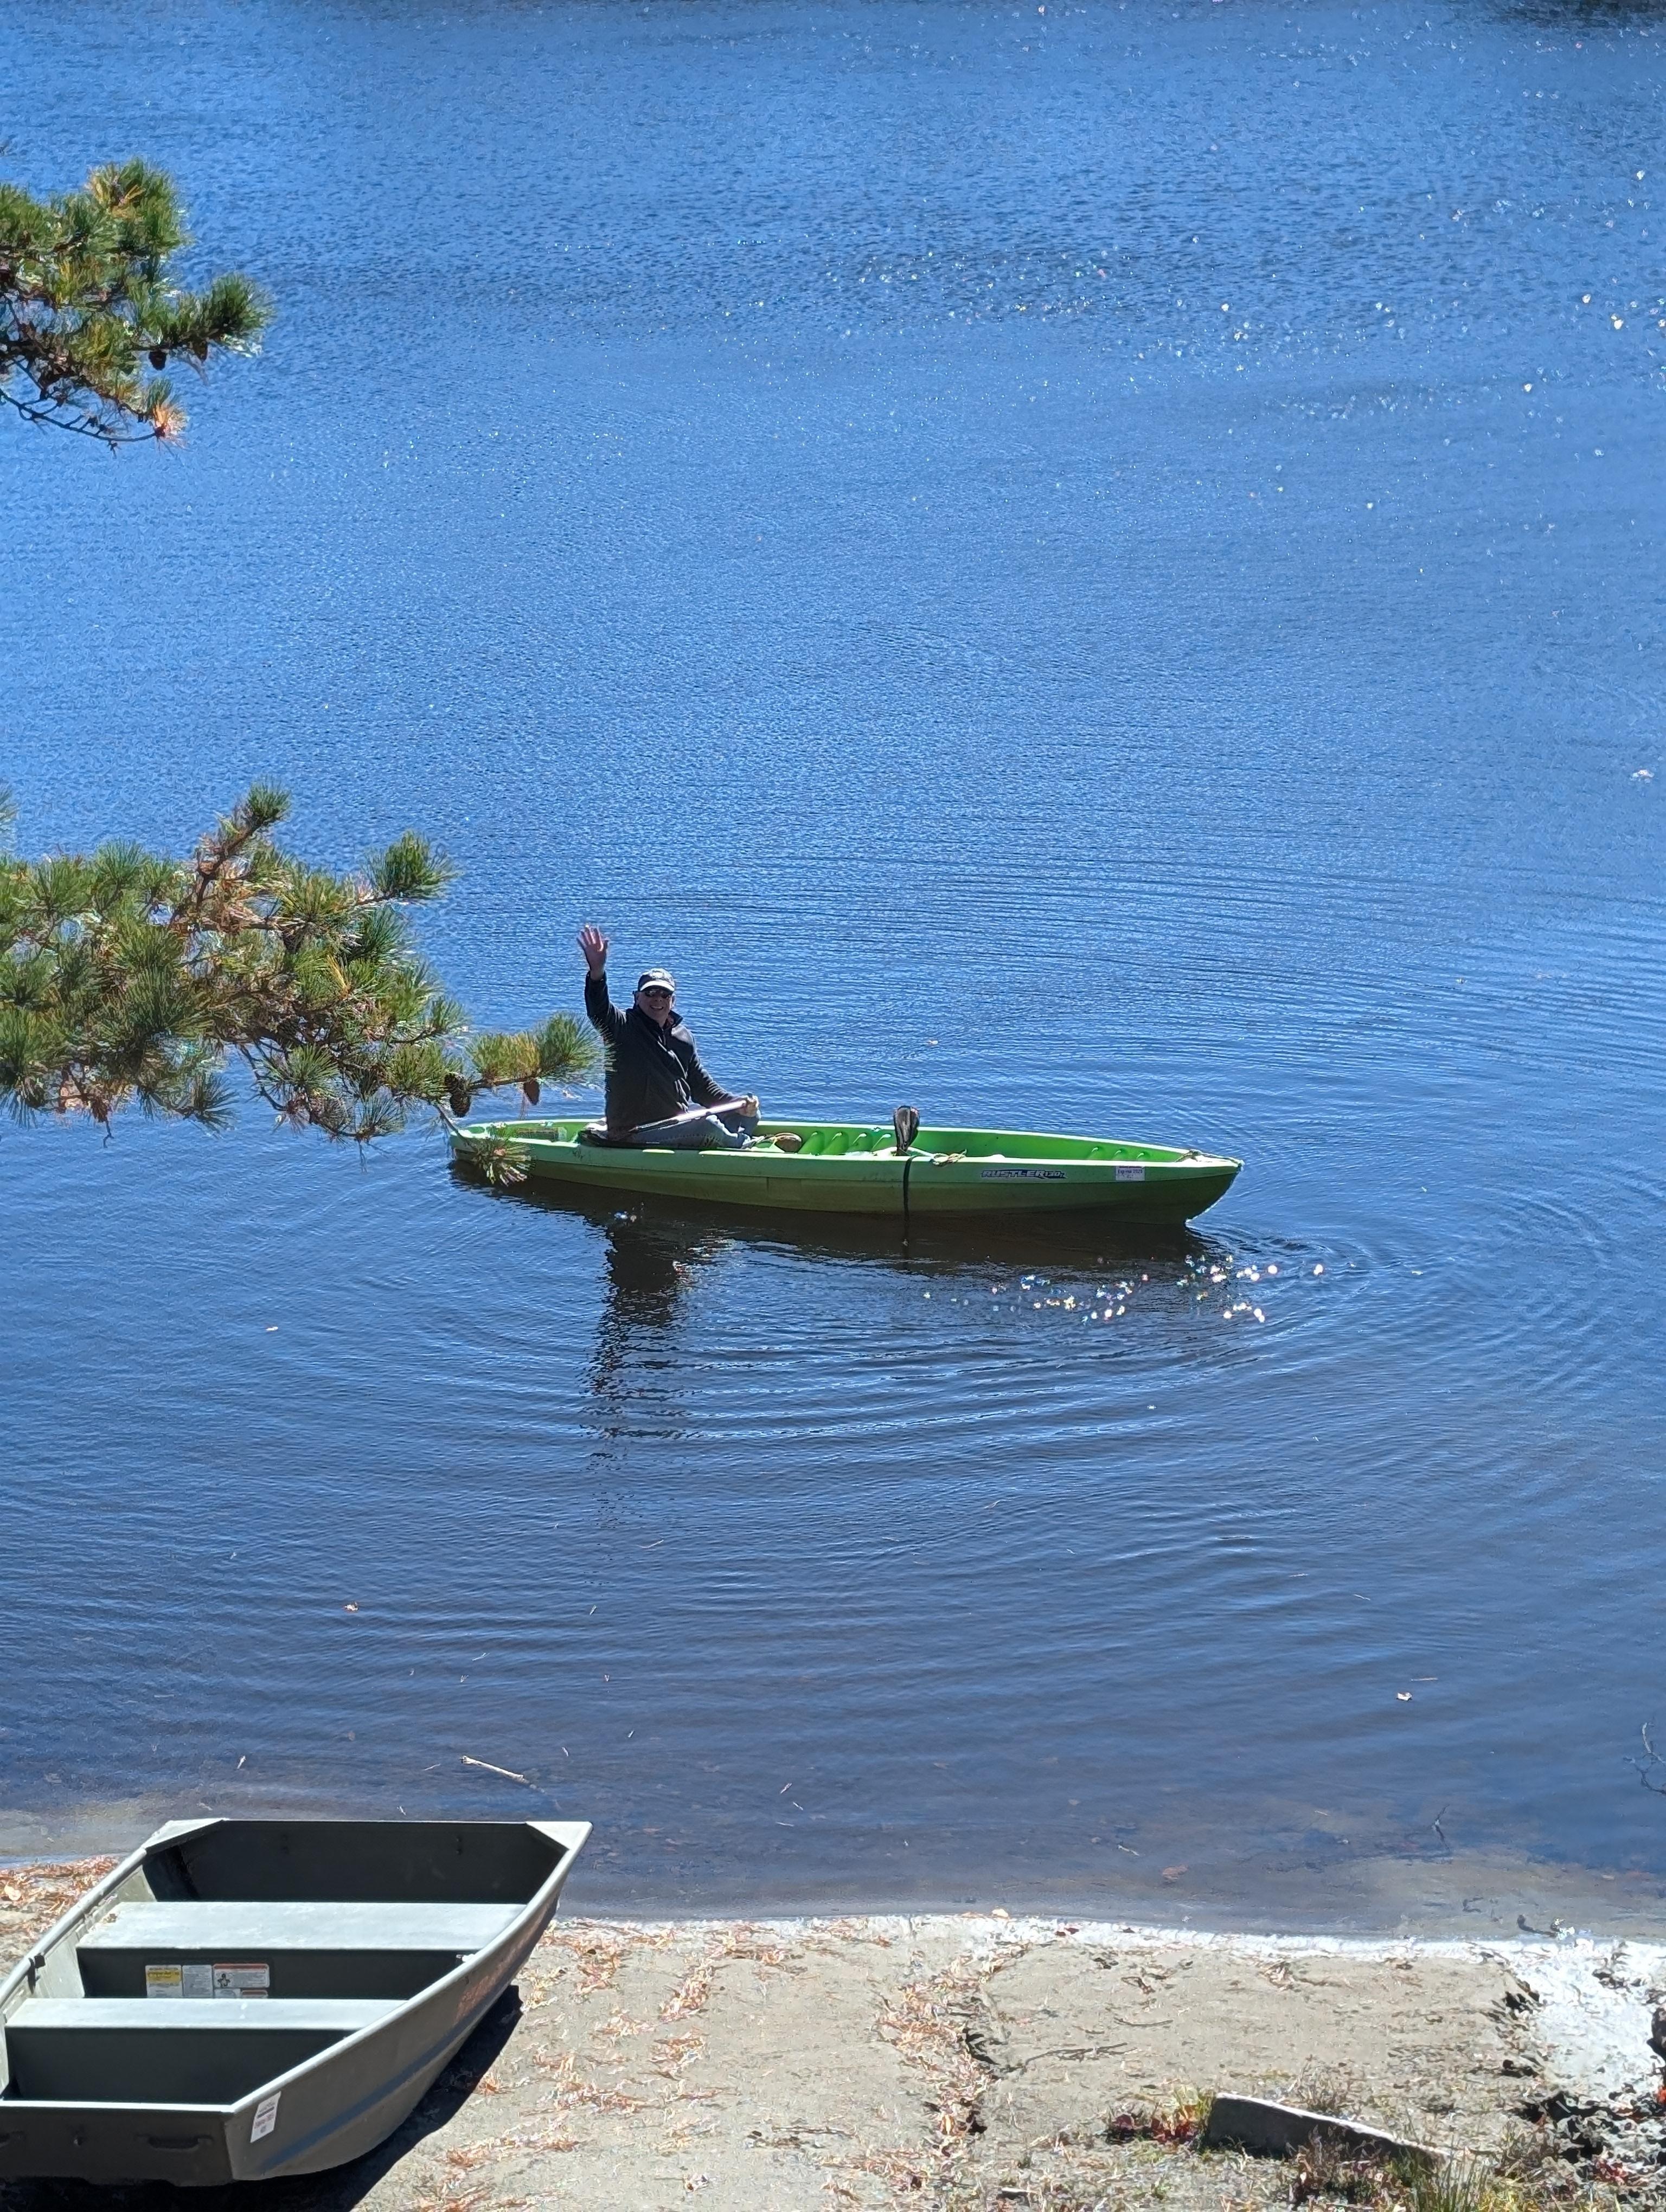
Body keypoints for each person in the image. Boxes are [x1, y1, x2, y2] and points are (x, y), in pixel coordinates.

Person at [577, 924, 760, 1149]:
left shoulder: (682, 1037)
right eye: (650, 993)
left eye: (665, 994)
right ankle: (743, 1146)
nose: (658, 999)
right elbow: (599, 1010)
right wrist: (597, 972)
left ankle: (733, 1138)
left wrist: (738, 1104)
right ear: (637, 997)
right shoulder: (622, 1027)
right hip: (635, 1132)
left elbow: (702, 1087)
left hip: (675, 1123)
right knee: (708, 1127)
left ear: (673, 1000)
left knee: (750, 1115)